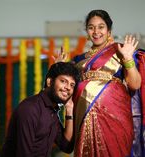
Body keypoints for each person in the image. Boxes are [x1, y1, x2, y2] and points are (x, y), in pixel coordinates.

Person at [57, 9, 145, 157]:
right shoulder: (78, 60)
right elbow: (65, 90)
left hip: (116, 117)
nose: (96, 31)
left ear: (109, 30)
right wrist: (59, 68)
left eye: (101, 26)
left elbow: (135, 85)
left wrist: (128, 59)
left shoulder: (120, 51)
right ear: (87, 31)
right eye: (91, 27)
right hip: (83, 118)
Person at [0, 62, 80, 157]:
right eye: (63, 81)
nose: (68, 88)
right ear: (50, 82)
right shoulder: (30, 108)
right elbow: (23, 154)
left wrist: (69, 110)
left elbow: (67, 147)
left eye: (72, 85)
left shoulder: (52, 111)